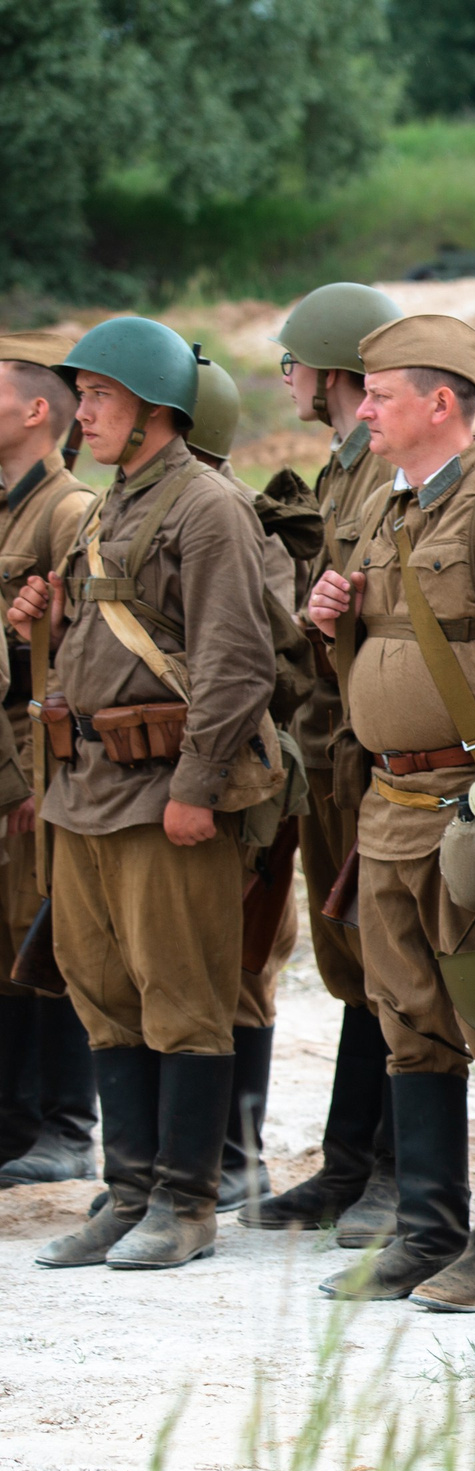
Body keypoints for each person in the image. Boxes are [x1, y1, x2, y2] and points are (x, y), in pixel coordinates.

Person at [303, 314, 475, 1309]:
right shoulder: (390, 510)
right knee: (409, 1028)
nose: (362, 406)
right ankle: (426, 1232)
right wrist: (333, 625)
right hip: (389, 806)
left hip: (470, 813)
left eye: (379, 393)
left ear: (440, 404)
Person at [7, 318, 276, 1272]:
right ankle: (128, 1192)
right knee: (103, 997)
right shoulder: (106, 505)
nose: (85, 413)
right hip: (84, 794)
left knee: (184, 998)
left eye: (103, 398)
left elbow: (236, 661)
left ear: (157, 410)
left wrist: (198, 786)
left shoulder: (207, 508)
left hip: (163, 793)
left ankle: (187, 1202)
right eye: (82, 396)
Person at [240, 282, 403, 1241]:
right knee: (351, 958)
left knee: (392, 962)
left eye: (295, 359)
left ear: (335, 367)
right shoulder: (342, 471)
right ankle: (351, 1162)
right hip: (332, 743)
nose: (287, 374)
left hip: (373, 746)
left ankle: (392, 1171)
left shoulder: (379, 471)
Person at [180, 359, 320, 1217]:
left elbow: (260, 664)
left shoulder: (232, 520)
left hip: (247, 781)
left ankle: (235, 1153)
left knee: (241, 964)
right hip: (193, 773)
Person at [0, 334, 100, 1191]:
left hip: (35, 758)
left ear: (38, 411)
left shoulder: (68, 511)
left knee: (48, 932)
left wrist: (51, 776)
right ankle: (15, 1121)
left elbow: (80, 652)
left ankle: (67, 1125)